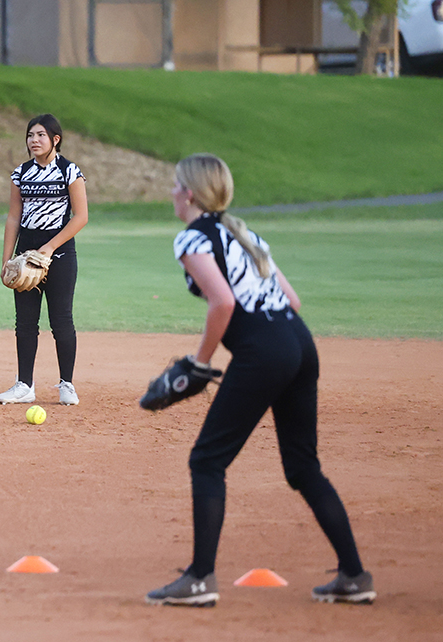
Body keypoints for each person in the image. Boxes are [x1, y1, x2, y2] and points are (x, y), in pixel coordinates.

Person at [145, 153, 374, 607]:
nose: (171, 192)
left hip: (264, 352)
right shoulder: (243, 232)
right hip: (299, 343)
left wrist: (199, 364)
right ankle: (354, 575)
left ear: (189, 194)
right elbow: (292, 298)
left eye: (175, 185)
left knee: (207, 460)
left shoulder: (192, 238)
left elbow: (223, 303)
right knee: (303, 466)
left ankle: (200, 579)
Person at [0, 114, 88, 406]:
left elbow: (81, 216)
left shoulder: (69, 171)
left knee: (61, 321)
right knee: (25, 322)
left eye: (40, 135)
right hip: (26, 255)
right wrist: (7, 259)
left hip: (58, 254)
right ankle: (24, 385)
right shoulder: (20, 173)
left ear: (55, 140)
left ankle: (67, 384)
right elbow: (13, 217)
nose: (34, 141)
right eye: (30, 135)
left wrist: (49, 247)